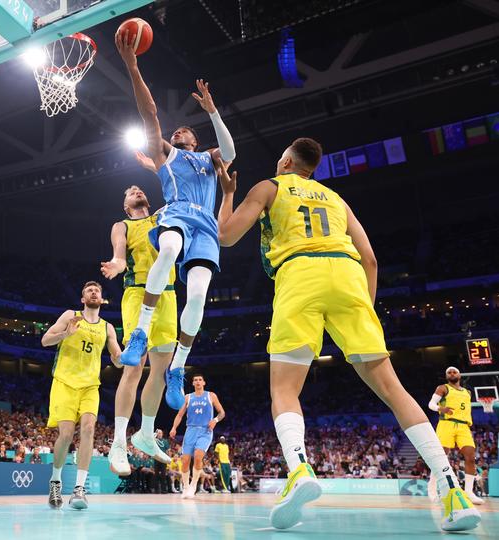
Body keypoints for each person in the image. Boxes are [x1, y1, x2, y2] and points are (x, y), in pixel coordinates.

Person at [215, 137, 481, 532]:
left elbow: (226, 235)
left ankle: (299, 469)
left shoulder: (270, 186)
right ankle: (452, 489)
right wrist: (363, 311)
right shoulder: (337, 200)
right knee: (394, 390)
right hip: (350, 277)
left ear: (286, 160)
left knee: (285, 390)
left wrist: (229, 194)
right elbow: (371, 258)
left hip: (300, 274)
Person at [115, 30, 236, 411]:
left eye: (185, 130)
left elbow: (231, 149)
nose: (177, 130)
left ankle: (178, 368)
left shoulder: (210, 159)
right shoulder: (167, 156)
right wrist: (133, 67)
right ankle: (140, 332)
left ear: (195, 141)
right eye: (175, 130)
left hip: (207, 228)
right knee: (167, 247)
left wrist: (213, 111)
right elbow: (148, 112)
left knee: (198, 295)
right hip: (178, 213)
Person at [101, 185, 176, 474]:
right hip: (137, 293)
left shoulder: (163, 217)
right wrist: (117, 266)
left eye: (139, 188)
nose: (135, 190)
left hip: (168, 294)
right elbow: (119, 254)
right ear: (125, 205)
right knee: (134, 368)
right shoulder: (122, 225)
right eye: (129, 191)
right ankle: (118, 443)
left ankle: (146, 433)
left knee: (161, 372)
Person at [40, 281, 122, 510]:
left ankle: (79, 489)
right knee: (66, 435)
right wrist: (66, 333)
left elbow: (117, 359)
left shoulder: (107, 328)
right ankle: (55, 481)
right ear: (83, 299)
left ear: (102, 298)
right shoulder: (70, 315)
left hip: (89, 387)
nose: (94, 292)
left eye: (97, 290)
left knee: (88, 429)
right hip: (64, 383)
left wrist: (123, 356)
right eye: (89, 290)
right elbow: (45, 340)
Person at [428, 367, 483, 504]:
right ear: (447, 376)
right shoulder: (443, 388)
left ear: (459, 375)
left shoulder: (467, 392)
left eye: (454, 372)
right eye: (449, 372)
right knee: (441, 457)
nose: (452, 374)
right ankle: (433, 487)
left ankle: (469, 492)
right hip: (447, 424)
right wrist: (441, 408)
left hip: (463, 426)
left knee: (470, 457)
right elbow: (431, 404)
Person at [169, 374, 225, 499]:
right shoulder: (188, 397)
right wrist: (174, 427)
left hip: (205, 431)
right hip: (190, 430)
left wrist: (215, 420)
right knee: (185, 461)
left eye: (200, 380)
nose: (198, 382)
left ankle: (193, 485)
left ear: (204, 382)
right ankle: (186, 487)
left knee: (198, 457)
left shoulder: (211, 395)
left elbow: (222, 412)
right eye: (195, 380)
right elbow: (179, 415)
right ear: (193, 383)